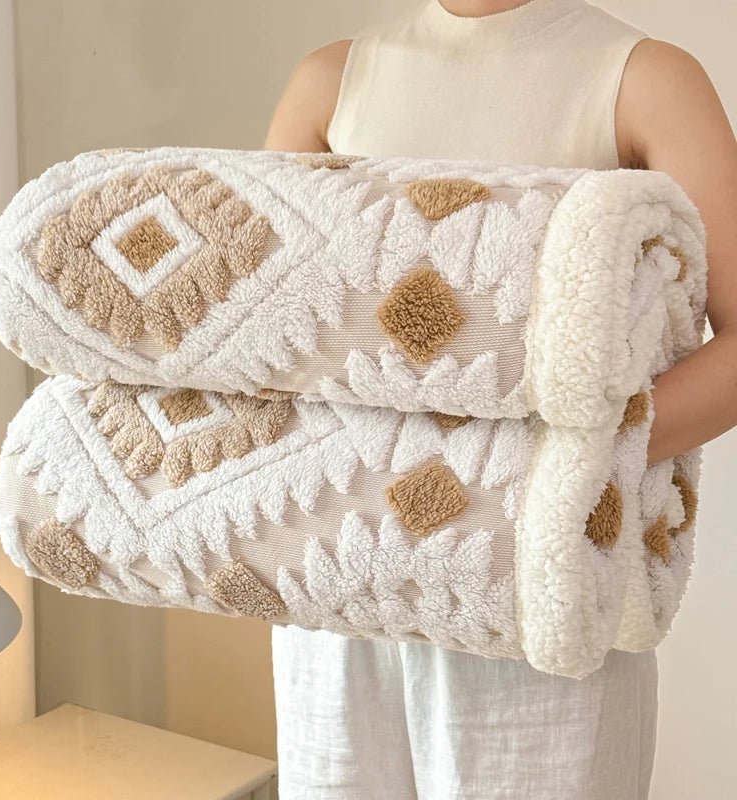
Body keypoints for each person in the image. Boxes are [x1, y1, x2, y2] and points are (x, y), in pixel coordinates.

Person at [262, 1, 737, 797]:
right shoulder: (331, 83)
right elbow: (268, 332)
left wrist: (550, 473)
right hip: (343, 583)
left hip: (540, 587)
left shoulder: (644, 80)